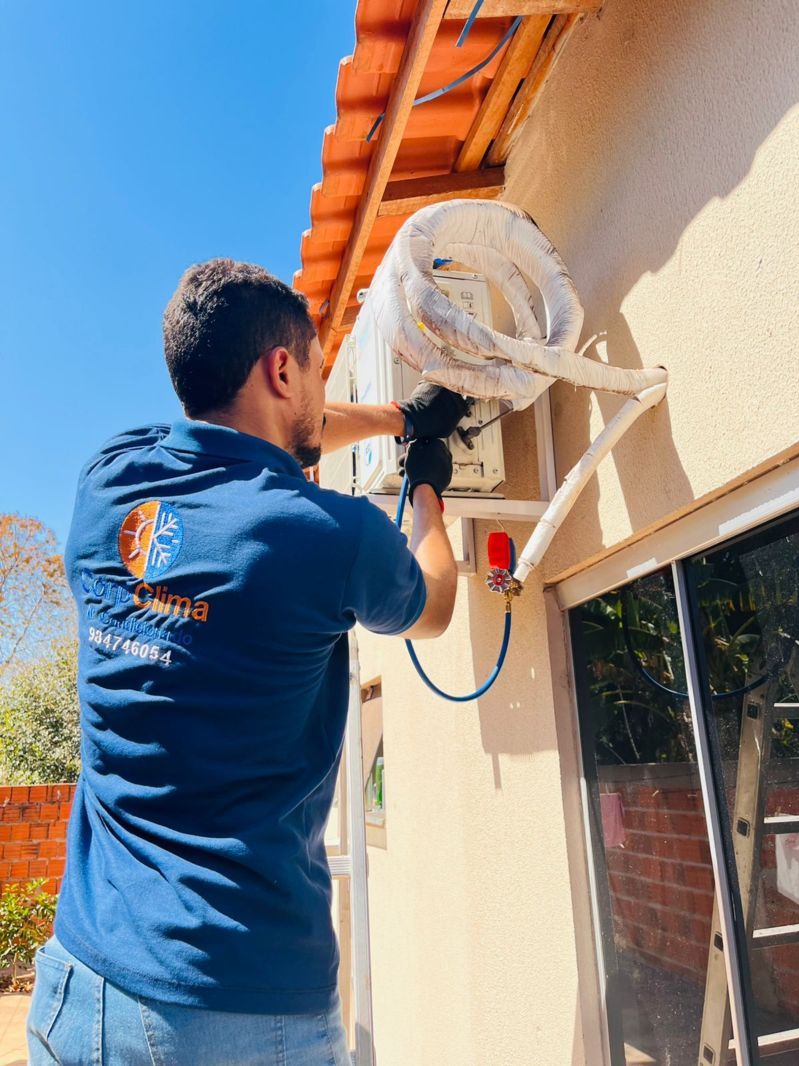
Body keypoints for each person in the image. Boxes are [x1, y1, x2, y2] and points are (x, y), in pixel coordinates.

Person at [27, 259, 464, 1065]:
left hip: (77, 988)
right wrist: (428, 492)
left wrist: (400, 416)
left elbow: (270, 435)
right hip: (235, 1009)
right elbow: (435, 606)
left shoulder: (108, 482)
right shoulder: (330, 537)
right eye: (315, 373)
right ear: (283, 368)